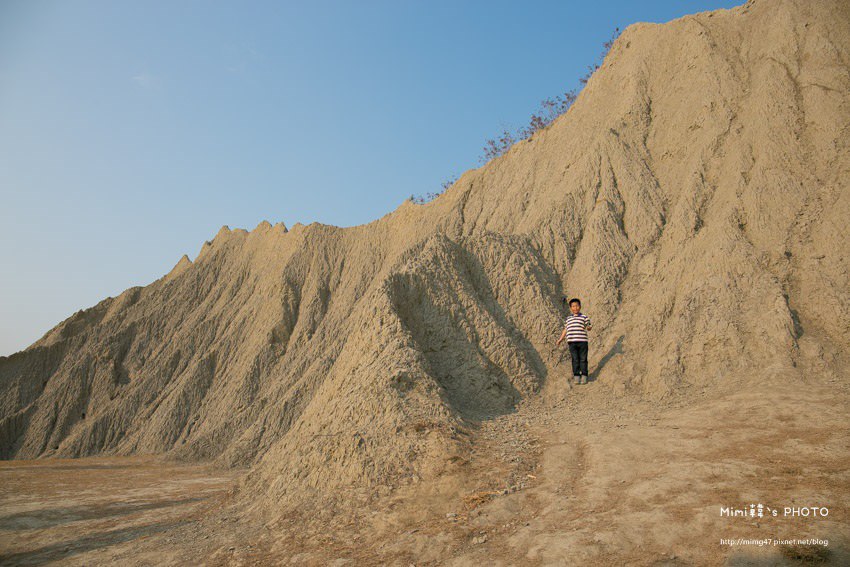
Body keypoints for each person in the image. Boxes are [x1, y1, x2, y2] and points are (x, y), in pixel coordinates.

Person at [556, 297, 592, 385]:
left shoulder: (584, 317)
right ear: (570, 308)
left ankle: (584, 375)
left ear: (580, 307)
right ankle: (576, 376)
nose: (575, 308)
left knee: (583, 359)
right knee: (575, 359)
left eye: (577, 306)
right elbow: (565, 329)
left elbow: (589, 327)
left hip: (582, 341)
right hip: (572, 342)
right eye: (573, 306)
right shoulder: (568, 319)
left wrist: (588, 327)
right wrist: (560, 339)